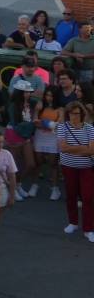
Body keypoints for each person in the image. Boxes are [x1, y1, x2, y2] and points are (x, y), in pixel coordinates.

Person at [57, 102, 94, 242]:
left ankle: (88, 229)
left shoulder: (90, 128)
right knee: (71, 195)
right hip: (68, 167)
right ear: (68, 114)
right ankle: (73, 222)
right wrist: (84, 148)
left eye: (77, 113)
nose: (74, 116)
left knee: (88, 197)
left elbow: (92, 150)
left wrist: (73, 148)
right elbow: (63, 148)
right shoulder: (62, 127)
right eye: (71, 113)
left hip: (87, 167)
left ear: (82, 114)